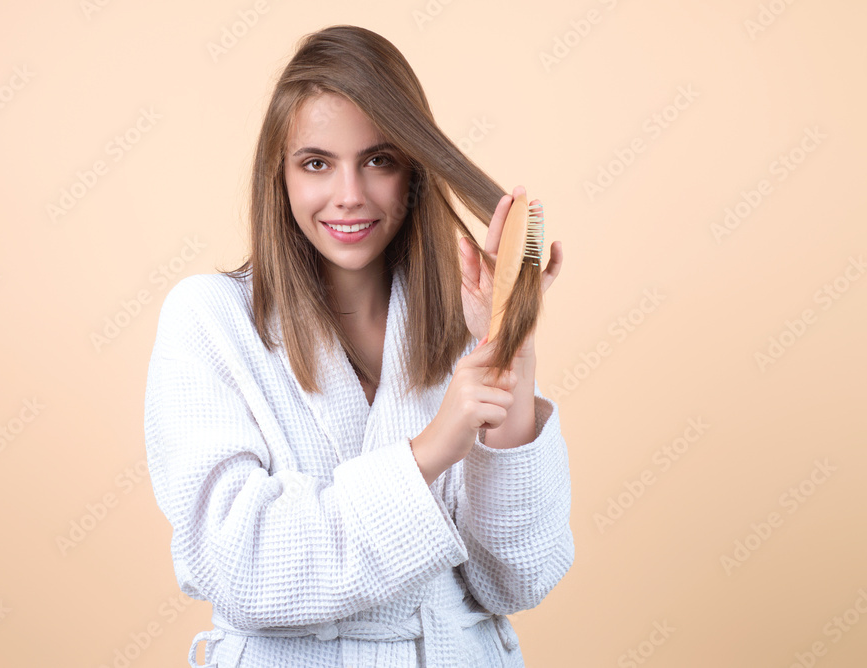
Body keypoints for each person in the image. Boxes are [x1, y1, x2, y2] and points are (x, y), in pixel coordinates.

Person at [144, 24, 573, 668]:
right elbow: (239, 564)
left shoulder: (463, 322)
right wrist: (430, 450)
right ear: (280, 176)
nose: (349, 194)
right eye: (316, 163)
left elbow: (518, 577)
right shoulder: (210, 320)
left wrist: (510, 342)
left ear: (414, 174)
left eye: (379, 160)